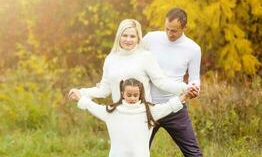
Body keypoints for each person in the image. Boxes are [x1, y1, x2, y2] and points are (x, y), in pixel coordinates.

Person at [69, 78, 191, 157]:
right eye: (129, 95)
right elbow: (93, 107)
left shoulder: (148, 110)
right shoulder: (113, 111)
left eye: (135, 95)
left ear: (140, 95)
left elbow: (168, 106)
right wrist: (80, 98)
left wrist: (185, 95)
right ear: (122, 94)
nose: (132, 98)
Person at [142, 8, 212, 157]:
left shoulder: (193, 49)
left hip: (176, 108)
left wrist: (194, 88)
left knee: (194, 154)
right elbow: (135, 62)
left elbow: (194, 78)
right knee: (137, 153)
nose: (169, 34)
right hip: (148, 107)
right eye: (167, 28)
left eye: (174, 31)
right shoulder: (151, 38)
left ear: (184, 28)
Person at [68, 18, 197, 105]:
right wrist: (82, 92)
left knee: (139, 147)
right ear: (119, 37)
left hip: (142, 115)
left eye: (132, 36)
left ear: (138, 38)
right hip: (118, 114)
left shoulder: (146, 57)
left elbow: (162, 82)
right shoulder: (110, 59)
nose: (128, 40)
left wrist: (186, 88)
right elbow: (103, 90)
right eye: (125, 35)